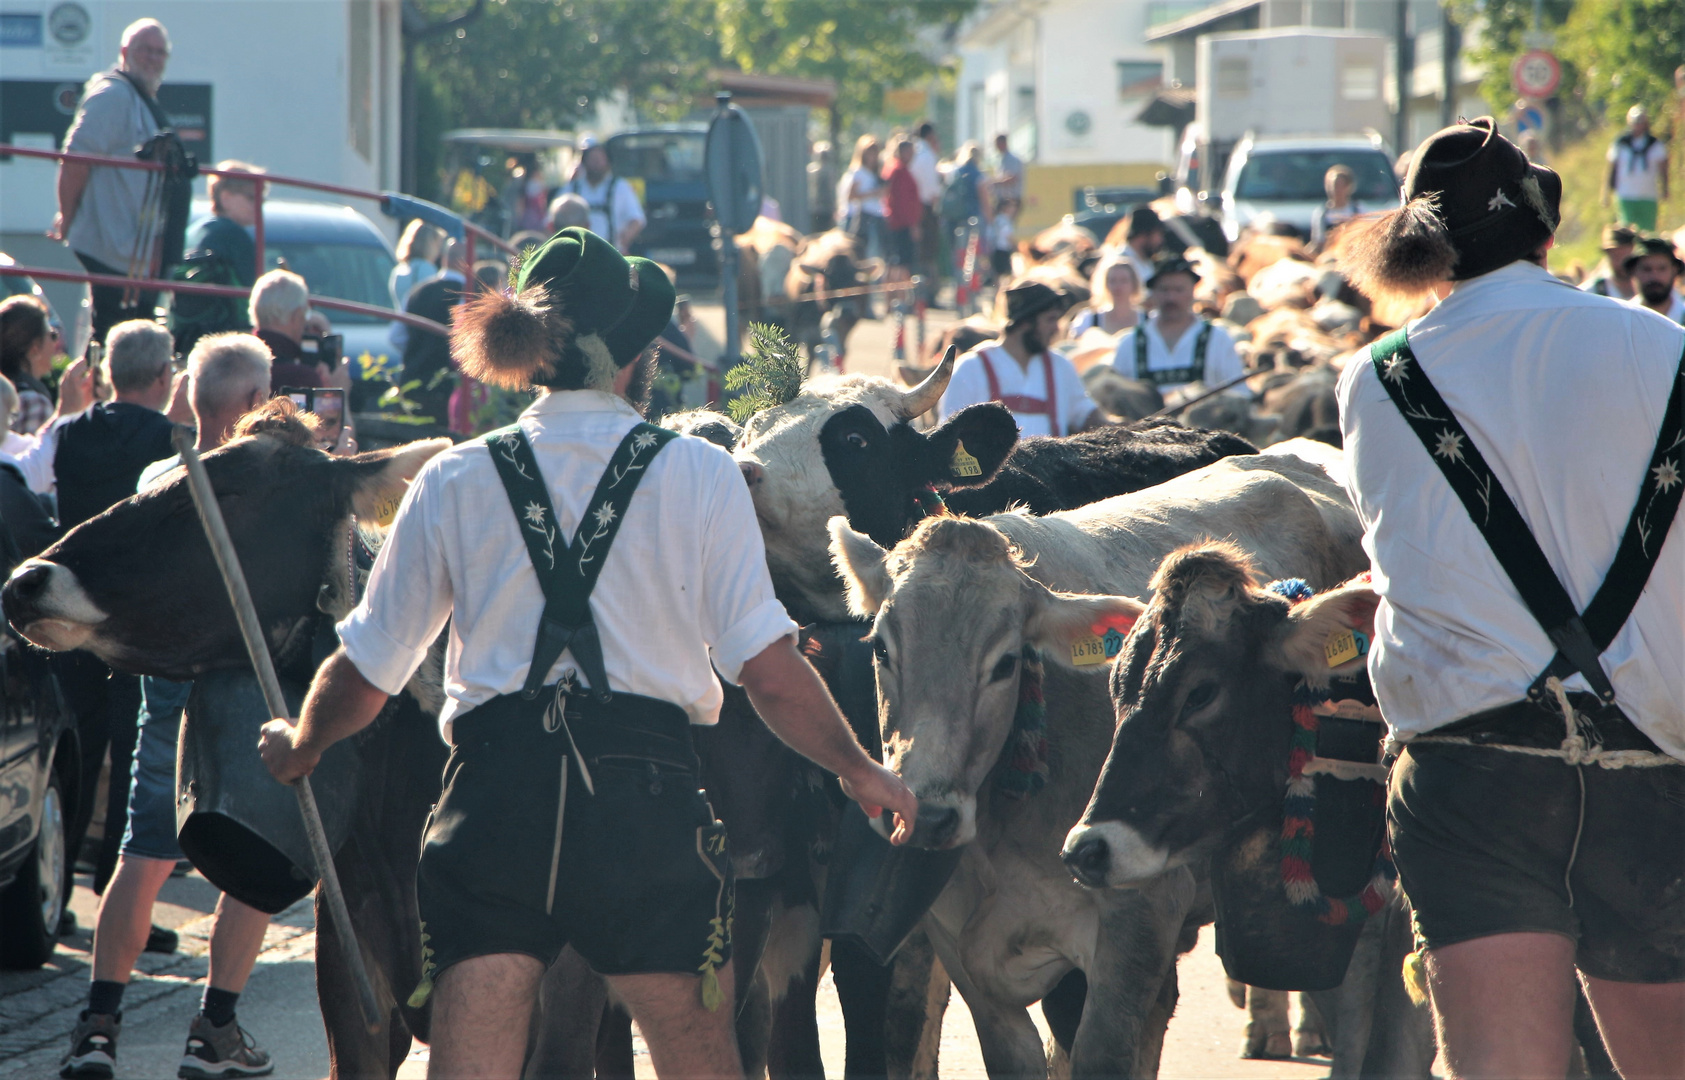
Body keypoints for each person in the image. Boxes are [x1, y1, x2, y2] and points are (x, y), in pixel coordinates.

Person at [257, 227, 918, 1078]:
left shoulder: (454, 479)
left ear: (528, 352)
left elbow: (366, 672)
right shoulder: (699, 475)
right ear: (635, 355)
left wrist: (303, 743)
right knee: (697, 1060)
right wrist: (861, 769)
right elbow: (768, 671)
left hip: (493, 805)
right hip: (642, 806)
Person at [1338, 116, 1683, 1080]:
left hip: (1472, 769)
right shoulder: (1666, 351)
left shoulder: (1372, 381)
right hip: (1655, 759)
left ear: (1418, 249)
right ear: (1545, 231)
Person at [60, 333, 278, 1080]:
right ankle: (214, 1028)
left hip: (164, 690)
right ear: (252, 402)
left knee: (141, 855)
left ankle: (97, 1026)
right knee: (250, 863)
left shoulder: (156, 474)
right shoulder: (276, 482)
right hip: (238, 693)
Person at [50, 19, 172, 345]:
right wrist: (69, 216)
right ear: (124, 52)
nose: (152, 58)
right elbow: (76, 158)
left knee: (130, 343)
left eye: (160, 52)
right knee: (112, 342)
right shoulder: (113, 94)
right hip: (111, 252)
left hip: (134, 259)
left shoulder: (142, 100)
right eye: (144, 49)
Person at [938, 281, 1099, 436]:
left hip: (1048, 464)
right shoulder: (970, 369)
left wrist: (1120, 428)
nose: (1056, 329)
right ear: (1025, 322)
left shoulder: (1061, 367)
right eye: (1050, 320)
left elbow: (1086, 414)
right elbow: (948, 436)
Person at [1105, 256, 1246, 400]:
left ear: (1192, 291)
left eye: (1179, 290)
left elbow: (1240, 395)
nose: (1171, 298)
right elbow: (1115, 401)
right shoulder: (1129, 344)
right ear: (1152, 293)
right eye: (1164, 290)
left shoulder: (1218, 339)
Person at [397, 236, 470, 428]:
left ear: (444, 257)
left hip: (412, 382)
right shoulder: (467, 295)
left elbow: (395, 336)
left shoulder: (417, 291)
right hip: (446, 391)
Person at [249, 269, 330, 391]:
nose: (306, 323)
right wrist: (332, 391)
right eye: (305, 314)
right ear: (296, 316)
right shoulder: (302, 378)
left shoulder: (235, 363)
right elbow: (323, 410)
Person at [561, 136, 645, 253]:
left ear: (608, 161)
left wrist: (625, 239)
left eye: (600, 158)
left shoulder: (620, 186)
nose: (596, 163)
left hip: (612, 255)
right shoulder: (572, 188)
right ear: (584, 161)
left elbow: (637, 219)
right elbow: (551, 220)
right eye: (592, 158)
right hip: (577, 256)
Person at [1, 295, 69, 435]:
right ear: (35, 348)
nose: (55, 343)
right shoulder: (34, 403)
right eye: (52, 335)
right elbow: (38, 454)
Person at [1604, 105, 1669, 232]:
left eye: (1640, 123)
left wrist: (1665, 188)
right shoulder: (1620, 143)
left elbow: (1663, 168)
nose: (1638, 126)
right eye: (1635, 123)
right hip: (1626, 194)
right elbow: (1611, 168)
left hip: (1648, 196)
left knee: (1648, 233)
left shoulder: (1655, 144)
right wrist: (1606, 193)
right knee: (1627, 232)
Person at [881, 138, 922, 292]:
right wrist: (913, 225)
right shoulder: (899, 170)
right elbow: (903, 202)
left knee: (894, 263)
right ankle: (899, 299)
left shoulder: (893, 167)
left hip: (896, 222)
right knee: (901, 264)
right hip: (901, 224)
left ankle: (893, 301)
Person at [837, 135, 887, 257]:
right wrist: (873, 193)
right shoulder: (858, 173)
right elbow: (851, 196)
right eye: (869, 153)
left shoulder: (875, 174)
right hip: (861, 219)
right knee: (863, 253)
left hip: (876, 216)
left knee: (877, 253)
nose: (873, 156)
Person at [1068, 257, 1140, 337]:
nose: (1118, 286)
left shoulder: (1147, 319)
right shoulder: (1089, 319)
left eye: (1124, 280)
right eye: (1112, 281)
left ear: (1134, 284)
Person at [1623, 235, 1685, 323]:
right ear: (1633, 271)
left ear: (1674, 270)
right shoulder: (1623, 317)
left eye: (1662, 269)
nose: (1654, 276)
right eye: (1647, 269)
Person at [390, 219, 443, 310]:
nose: (438, 252)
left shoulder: (399, 269)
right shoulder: (426, 268)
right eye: (437, 245)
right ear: (430, 245)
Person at [1109, 206, 1165, 292]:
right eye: (1157, 234)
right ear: (1143, 235)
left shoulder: (1146, 261)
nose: (1160, 240)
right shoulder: (1119, 262)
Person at [1580, 224, 1638, 301]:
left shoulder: (1650, 288)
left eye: (1627, 256)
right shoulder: (1593, 291)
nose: (1622, 262)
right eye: (1617, 256)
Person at [1310, 164, 1363, 248]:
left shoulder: (1358, 210)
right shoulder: (1321, 213)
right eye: (1333, 186)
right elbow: (1318, 242)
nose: (1336, 190)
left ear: (1348, 187)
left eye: (1340, 185)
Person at [992, 133, 1024, 207]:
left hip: (1011, 199)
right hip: (1001, 199)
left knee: (1003, 218)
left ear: (1003, 143)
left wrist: (995, 183)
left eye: (997, 143)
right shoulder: (1000, 160)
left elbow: (1012, 178)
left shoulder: (1012, 159)